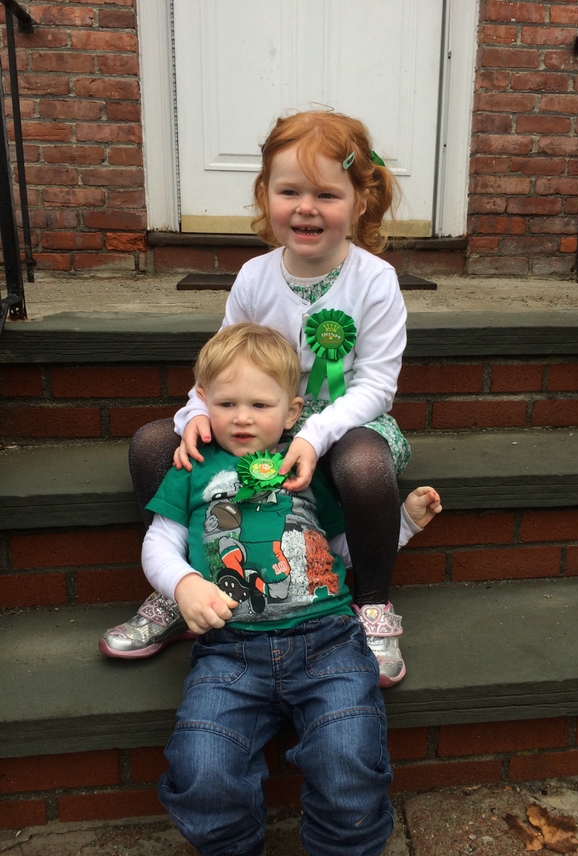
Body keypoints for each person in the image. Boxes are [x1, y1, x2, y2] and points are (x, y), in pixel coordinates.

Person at [101, 109, 413, 686]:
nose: (306, 207)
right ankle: (184, 583)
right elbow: (219, 367)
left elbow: (375, 384)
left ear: (360, 200)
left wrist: (316, 433)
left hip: (344, 427)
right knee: (152, 446)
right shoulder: (253, 277)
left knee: (366, 467)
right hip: (257, 421)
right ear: (265, 194)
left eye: (327, 192)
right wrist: (197, 413)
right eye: (289, 190)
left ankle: (372, 605)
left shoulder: (375, 280)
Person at [143, 323, 441, 856]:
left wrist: (405, 524)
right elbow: (159, 543)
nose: (241, 417)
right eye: (227, 402)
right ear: (202, 403)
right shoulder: (191, 470)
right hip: (228, 654)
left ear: (292, 411)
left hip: (329, 643)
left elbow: (344, 549)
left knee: (348, 761)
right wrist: (184, 583)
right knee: (202, 768)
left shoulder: (304, 469)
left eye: (259, 404)